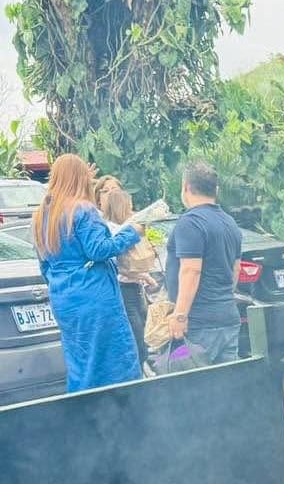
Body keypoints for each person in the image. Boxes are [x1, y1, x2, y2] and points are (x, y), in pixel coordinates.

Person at [31, 154, 145, 392]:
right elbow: (99, 249)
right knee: (116, 360)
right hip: (95, 297)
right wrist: (132, 232)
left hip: (64, 299)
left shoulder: (42, 215)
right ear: (80, 178)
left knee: (81, 361)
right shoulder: (82, 209)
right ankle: (124, 408)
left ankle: (83, 409)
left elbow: (45, 265)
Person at [165, 161, 243, 365]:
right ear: (216, 190)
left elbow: (191, 271)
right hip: (228, 319)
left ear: (186, 187)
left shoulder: (190, 222)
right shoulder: (230, 223)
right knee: (226, 382)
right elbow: (236, 270)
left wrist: (180, 316)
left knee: (192, 382)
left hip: (199, 327)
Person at [100, 187, 159, 371]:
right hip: (124, 289)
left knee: (145, 333)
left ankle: (145, 368)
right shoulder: (115, 231)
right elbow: (118, 266)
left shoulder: (129, 228)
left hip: (136, 288)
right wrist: (144, 276)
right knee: (137, 337)